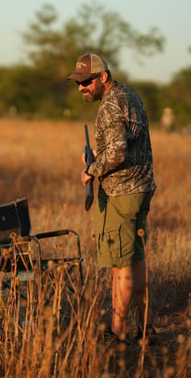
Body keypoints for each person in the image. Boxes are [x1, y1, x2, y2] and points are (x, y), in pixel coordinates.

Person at [67, 53, 156, 342]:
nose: (81, 88)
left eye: (86, 81)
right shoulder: (129, 94)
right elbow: (124, 145)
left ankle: (119, 333)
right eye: (78, 82)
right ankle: (143, 326)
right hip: (141, 188)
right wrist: (96, 155)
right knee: (136, 258)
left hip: (120, 194)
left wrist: (91, 169)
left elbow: (117, 154)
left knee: (121, 265)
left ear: (102, 77)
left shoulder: (109, 106)